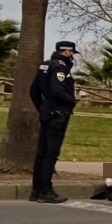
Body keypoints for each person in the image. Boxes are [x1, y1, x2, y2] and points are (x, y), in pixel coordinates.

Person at [28, 40, 80, 204]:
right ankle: (46, 190)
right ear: (67, 52)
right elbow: (58, 90)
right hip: (58, 114)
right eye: (71, 53)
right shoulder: (59, 67)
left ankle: (36, 190)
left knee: (42, 152)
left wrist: (42, 108)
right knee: (51, 153)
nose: (72, 57)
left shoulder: (45, 65)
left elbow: (34, 91)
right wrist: (71, 101)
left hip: (47, 112)